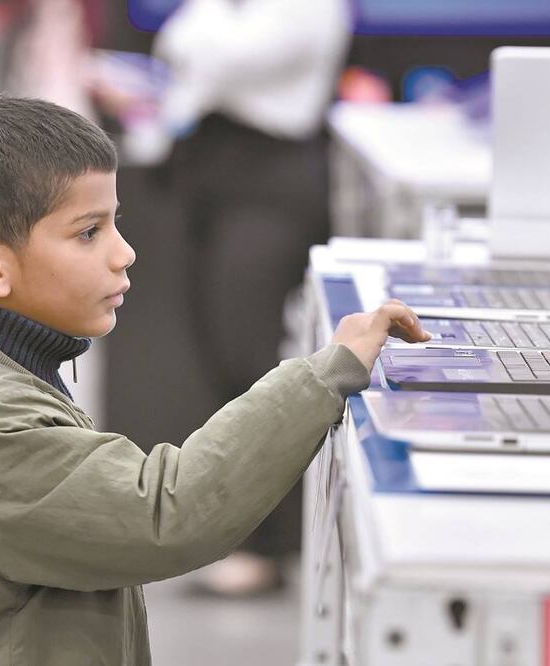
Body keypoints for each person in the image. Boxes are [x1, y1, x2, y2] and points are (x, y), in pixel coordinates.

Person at [0, 97, 429, 664]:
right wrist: (326, 372)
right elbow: (166, 511)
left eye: (114, 223)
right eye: (87, 232)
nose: (123, 253)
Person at [148, 0, 352, 595]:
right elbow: (178, 43)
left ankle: (268, 545)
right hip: (217, 177)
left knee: (251, 359)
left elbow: (213, 50)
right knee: (218, 350)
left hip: (273, 186)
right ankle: (239, 535)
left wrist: (203, 31)